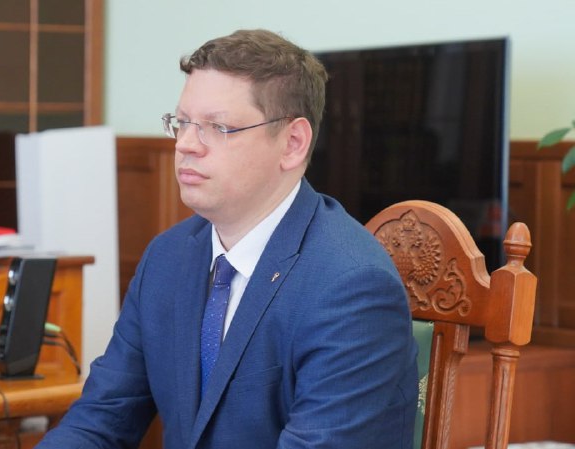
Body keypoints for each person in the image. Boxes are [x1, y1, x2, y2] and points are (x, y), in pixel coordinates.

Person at [36, 29, 418, 449]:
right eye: (182, 123)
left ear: (292, 143)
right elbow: (100, 420)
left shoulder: (351, 285)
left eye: (217, 127)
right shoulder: (167, 256)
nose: (185, 145)